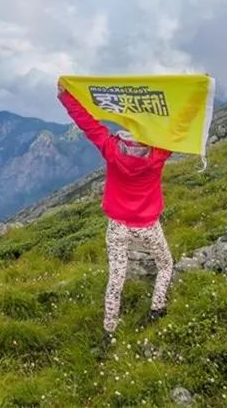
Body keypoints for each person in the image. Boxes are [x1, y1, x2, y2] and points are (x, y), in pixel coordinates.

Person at [57, 80, 174, 345]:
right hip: (148, 225)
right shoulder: (159, 153)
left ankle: (110, 329)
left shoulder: (111, 149)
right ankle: (157, 307)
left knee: (116, 277)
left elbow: (88, 124)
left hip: (118, 226)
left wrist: (66, 97)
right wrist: (197, 95)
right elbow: (178, 127)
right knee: (165, 264)